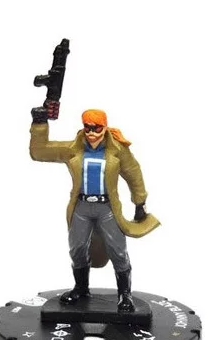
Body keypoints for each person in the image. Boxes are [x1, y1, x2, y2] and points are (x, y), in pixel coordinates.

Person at [30, 105, 160, 312]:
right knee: (77, 248)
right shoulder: (73, 148)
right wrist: (39, 123)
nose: (91, 133)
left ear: (105, 127)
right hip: (81, 207)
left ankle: (125, 295)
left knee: (118, 250)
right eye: (87, 127)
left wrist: (139, 202)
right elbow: (39, 152)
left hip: (107, 208)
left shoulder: (118, 150)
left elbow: (133, 173)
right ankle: (81, 288)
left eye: (97, 128)